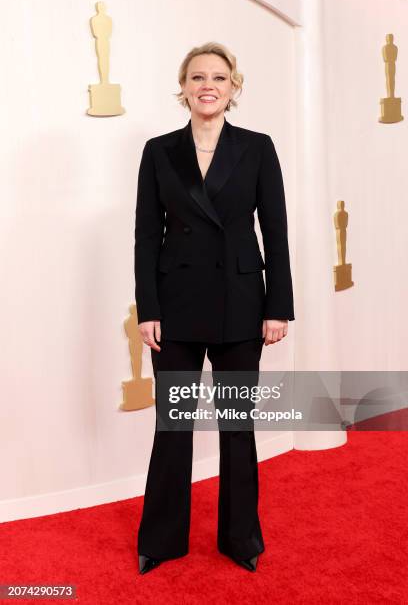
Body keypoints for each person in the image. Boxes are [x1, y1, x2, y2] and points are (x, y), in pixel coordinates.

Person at [134, 42, 294, 575]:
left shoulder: (257, 147)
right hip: (174, 307)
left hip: (241, 306)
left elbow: (275, 231)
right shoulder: (159, 151)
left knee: (236, 426)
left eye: (219, 78)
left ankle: (241, 539)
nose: (209, 85)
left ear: (233, 88)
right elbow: (144, 236)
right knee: (174, 427)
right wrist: (148, 309)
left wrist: (279, 307)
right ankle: (160, 541)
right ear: (182, 86)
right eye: (198, 76)